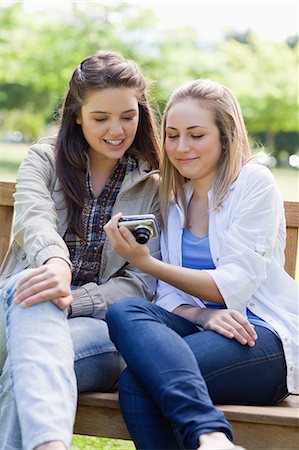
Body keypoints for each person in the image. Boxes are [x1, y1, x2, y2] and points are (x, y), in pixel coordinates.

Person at [104, 79, 298, 450]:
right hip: (199, 330)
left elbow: (232, 285)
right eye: (172, 135)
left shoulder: (254, 183)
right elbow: (166, 295)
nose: (180, 147)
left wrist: (145, 262)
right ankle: (210, 438)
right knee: (126, 311)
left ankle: (210, 435)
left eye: (196, 135)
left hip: (258, 336)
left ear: (225, 137)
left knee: (137, 382)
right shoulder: (176, 193)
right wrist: (201, 316)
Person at [0, 50, 161, 450]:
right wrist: (56, 265)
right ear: (76, 114)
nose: (117, 130)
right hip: (19, 306)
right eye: (100, 118)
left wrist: (72, 299)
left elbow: (141, 284)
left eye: (128, 116)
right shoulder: (43, 160)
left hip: (98, 327)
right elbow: (33, 219)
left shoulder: (153, 186)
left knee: (32, 358)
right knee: (35, 290)